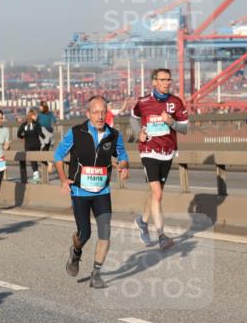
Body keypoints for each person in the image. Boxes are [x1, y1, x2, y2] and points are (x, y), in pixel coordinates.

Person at [55, 96, 129, 289]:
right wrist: (63, 179)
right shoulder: (76, 133)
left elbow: (122, 154)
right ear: (88, 114)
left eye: (103, 112)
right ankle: (76, 251)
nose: (100, 116)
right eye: (96, 112)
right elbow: (57, 156)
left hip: (102, 191)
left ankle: (96, 273)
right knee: (84, 234)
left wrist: (124, 165)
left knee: (105, 232)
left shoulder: (113, 135)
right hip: (80, 191)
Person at [130, 68, 189, 251]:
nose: (167, 83)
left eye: (169, 80)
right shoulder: (144, 102)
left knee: (156, 193)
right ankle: (162, 236)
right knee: (157, 194)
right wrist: (137, 133)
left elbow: (185, 129)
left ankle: (143, 221)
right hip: (149, 151)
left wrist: (171, 123)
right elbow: (133, 118)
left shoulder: (176, 102)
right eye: (162, 80)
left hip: (168, 152)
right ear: (154, 82)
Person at [17, 109, 44, 183]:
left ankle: (36, 174)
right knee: (39, 157)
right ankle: (38, 172)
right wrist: (45, 137)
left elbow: (19, 134)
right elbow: (40, 133)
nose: (36, 116)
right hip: (37, 144)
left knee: (33, 160)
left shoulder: (24, 124)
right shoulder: (37, 124)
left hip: (28, 145)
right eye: (35, 115)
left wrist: (23, 136)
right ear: (32, 116)